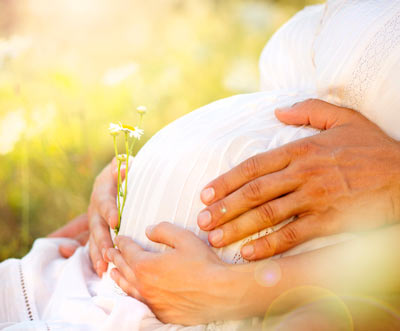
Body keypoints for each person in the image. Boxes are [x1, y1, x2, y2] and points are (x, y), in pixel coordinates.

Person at [2, 0, 400, 329]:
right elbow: (282, 129)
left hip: (203, 311)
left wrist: (233, 290)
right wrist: (136, 183)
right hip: (89, 277)